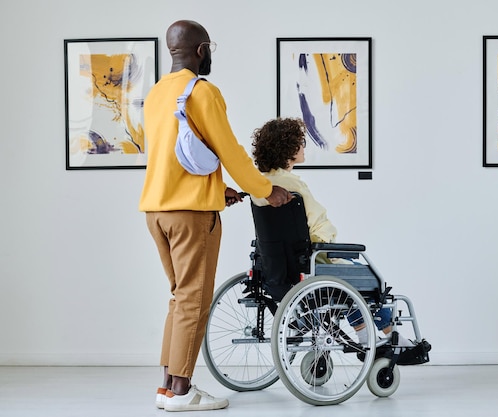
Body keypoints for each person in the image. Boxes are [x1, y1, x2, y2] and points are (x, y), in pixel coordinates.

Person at [139, 20, 292, 412]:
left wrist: (216, 189)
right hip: (191, 217)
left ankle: (168, 386)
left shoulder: (156, 94)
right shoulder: (202, 92)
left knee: (179, 298)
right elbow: (232, 152)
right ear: (202, 51)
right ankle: (183, 391)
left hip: (157, 210)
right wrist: (265, 190)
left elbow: (172, 159)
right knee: (194, 300)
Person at [250, 117, 424, 365]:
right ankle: (383, 337)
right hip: (309, 264)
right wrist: (331, 247)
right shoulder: (292, 186)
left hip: (275, 269)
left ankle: (372, 334)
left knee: (347, 277)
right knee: (365, 277)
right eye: (300, 142)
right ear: (288, 149)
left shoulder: (261, 187)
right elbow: (318, 225)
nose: (304, 147)